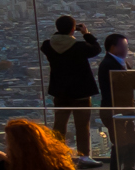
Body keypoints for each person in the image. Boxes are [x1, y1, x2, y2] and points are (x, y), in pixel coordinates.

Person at [41, 15, 100, 158]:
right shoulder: (79, 47)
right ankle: (83, 157)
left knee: (59, 126)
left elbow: (54, 40)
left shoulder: (47, 45)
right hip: (81, 91)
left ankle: (57, 155)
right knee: (82, 126)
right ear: (73, 29)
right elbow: (96, 49)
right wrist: (86, 33)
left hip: (59, 91)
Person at [97, 32, 135, 170]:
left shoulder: (122, 63)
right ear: (113, 47)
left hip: (125, 109)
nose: (127, 49)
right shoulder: (107, 65)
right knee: (120, 144)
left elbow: (133, 82)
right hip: (113, 110)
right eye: (124, 46)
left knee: (133, 141)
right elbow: (122, 82)